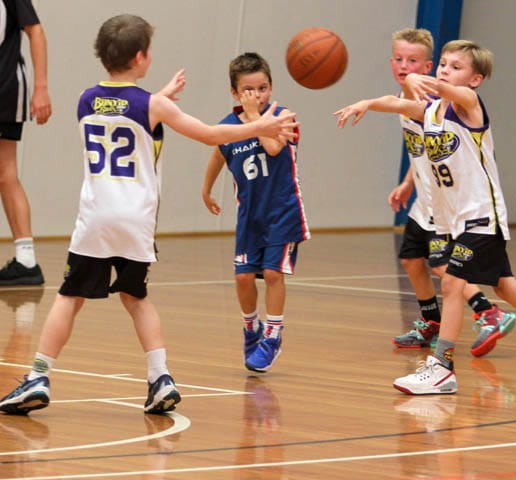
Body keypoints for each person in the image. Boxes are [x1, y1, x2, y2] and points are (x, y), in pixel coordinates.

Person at [0, 14, 298, 416]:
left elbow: (121, 108)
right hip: (136, 221)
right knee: (136, 297)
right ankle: (160, 378)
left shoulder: (86, 98)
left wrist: (159, 97)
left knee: (69, 297)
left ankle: (39, 375)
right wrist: (260, 125)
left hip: (96, 218)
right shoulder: (153, 105)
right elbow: (209, 134)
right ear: (142, 57)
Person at [359, 39, 516, 394]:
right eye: (443, 64)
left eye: (456, 67)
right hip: (460, 221)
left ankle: (442, 367)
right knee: (505, 286)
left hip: (481, 216)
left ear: (475, 79)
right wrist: (366, 103)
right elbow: (397, 104)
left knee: (452, 283)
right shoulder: (432, 111)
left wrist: (424, 81)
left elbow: (448, 92)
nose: (445, 71)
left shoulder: (469, 104)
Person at [335, 28, 515, 358]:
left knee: (442, 265)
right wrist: (408, 182)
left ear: (428, 67)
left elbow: (442, 148)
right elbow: (422, 150)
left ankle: (487, 311)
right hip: (423, 200)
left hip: (444, 202)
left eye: (413, 61)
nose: (405, 66)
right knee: (410, 258)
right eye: (399, 59)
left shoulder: (435, 101)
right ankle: (432, 321)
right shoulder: (405, 99)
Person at [202, 52, 310, 373]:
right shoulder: (227, 127)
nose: (257, 96)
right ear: (234, 92)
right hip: (250, 216)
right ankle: (251, 328)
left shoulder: (283, 117)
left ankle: (273, 335)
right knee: (243, 277)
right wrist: (206, 189)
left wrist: (253, 117)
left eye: (262, 88)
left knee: (273, 274)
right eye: (248, 90)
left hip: (283, 211)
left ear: (271, 88)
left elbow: (273, 147)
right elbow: (218, 154)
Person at [0, 0, 52, 286]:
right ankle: (27, 262)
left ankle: (26, 260)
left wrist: (41, 88)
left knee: (6, 172)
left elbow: (36, 31)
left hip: (4, 88)